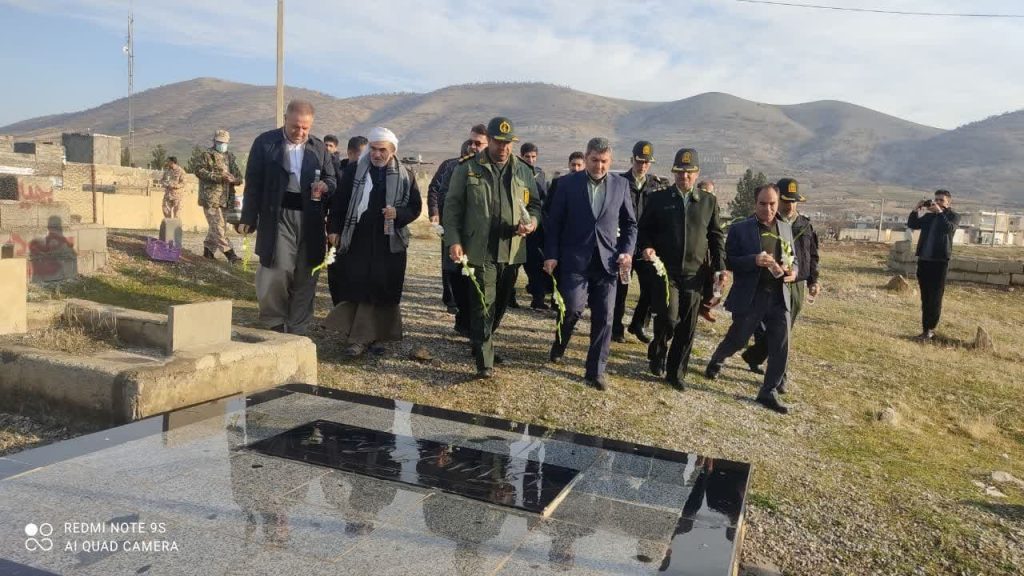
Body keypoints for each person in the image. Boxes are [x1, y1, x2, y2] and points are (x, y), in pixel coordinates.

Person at [442, 116, 541, 379]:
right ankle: (484, 361)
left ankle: (481, 339)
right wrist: (454, 240)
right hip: (480, 248)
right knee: (483, 304)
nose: (503, 147)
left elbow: (534, 205)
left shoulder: (523, 170)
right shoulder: (467, 168)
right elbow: (452, 208)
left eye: (508, 143)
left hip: (511, 249)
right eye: (498, 142)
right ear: (489, 141)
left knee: (499, 305)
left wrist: (532, 223)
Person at [236, 99, 336, 334]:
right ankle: (274, 321)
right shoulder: (266, 143)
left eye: (305, 128)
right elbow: (253, 182)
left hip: (311, 218)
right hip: (278, 216)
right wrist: (248, 217)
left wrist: (326, 185)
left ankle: (298, 326)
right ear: (285, 120)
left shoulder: (318, 148)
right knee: (277, 269)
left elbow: (332, 179)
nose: (300, 132)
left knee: (307, 271)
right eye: (295, 126)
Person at [544, 137, 636, 391]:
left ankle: (595, 371)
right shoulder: (566, 184)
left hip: (608, 263)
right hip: (575, 260)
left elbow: (630, 224)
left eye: (604, 161)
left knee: (605, 317)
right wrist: (551, 254)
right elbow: (554, 223)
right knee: (572, 309)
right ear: (586, 158)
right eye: (594, 160)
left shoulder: (621, 185)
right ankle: (560, 342)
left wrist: (627, 251)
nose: (599, 166)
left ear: (611, 161)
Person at [326, 127, 422, 356]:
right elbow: (339, 203)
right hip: (357, 240)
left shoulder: (405, 175)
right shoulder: (354, 171)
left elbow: (415, 207)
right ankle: (359, 338)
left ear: (393, 151)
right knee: (358, 287)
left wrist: (398, 214)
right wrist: (334, 229)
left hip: (388, 243)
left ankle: (376, 336)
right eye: (373, 149)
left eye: (382, 150)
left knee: (382, 289)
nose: (377, 154)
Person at [636, 148, 726, 390]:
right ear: (673, 172)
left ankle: (676, 373)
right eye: (679, 172)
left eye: (689, 172)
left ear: (697, 173)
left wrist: (720, 268)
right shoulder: (659, 199)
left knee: (687, 327)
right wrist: (646, 247)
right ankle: (658, 350)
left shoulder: (708, 202)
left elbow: (716, 237)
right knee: (668, 318)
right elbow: (644, 231)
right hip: (666, 272)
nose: (684, 176)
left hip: (695, 275)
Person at [704, 184, 796, 414]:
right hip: (751, 295)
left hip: (779, 296)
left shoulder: (785, 229)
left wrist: (792, 271)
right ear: (755, 204)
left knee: (781, 344)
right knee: (738, 338)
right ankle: (718, 359)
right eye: (763, 204)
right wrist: (753, 260)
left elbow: (794, 259)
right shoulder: (740, 229)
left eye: (772, 204)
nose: (768, 209)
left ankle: (769, 391)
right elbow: (728, 261)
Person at [741, 178, 820, 390]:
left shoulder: (805, 225)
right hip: (768, 282)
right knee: (771, 329)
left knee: (784, 331)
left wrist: (813, 280)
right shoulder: (763, 222)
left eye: (794, 201)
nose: (790, 206)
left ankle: (758, 358)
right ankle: (777, 374)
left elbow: (812, 255)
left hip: (795, 286)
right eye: (785, 201)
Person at [426, 124, 489, 328]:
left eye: (477, 144)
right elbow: (437, 190)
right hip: (452, 225)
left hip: (479, 231)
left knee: (474, 272)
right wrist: (436, 213)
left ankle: (471, 317)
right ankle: (452, 302)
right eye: (470, 144)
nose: (472, 148)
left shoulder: (492, 169)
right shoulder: (451, 166)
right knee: (452, 266)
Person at [614, 141, 668, 343]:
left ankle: (638, 323)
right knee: (620, 289)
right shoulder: (620, 182)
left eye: (647, 162)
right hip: (624, 244)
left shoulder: (657, 185)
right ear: (632, 160)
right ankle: (616, 327)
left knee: (652, 287)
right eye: (639, 161)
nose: (643, 165)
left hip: (646, 246)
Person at [907, 189, 960, 340]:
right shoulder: (929, 216)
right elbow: (912, 224)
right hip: (924, 260)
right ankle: (925, 330)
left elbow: (948, 229)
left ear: (948, 202)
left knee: (935, 298)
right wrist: (916, 208)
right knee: (925, 297)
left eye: (941, 200)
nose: (937, 202)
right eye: (936, 200)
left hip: (939, 262)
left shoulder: (953, 216)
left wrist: (940, 213)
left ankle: (931, 330)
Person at [196, 129, 244, 262]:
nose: (221, 144)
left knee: (218, 227)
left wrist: (234, 179)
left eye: (224, 142)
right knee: (218, 227)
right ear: (214, 141)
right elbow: (199, 171)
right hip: (211, 198)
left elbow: (239, 177)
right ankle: (230, 254)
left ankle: (208, 251)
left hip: (226, 199)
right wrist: (219, 177)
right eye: (219, 142)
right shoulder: (207, 155)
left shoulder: (230, 157)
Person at [519, 142, 551, 311]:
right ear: (521, 156)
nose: (530, 160)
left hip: (536, 225)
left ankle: (538, 297)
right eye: (527, 157)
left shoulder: (540, 174)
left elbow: (543, 199)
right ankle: (508, 297)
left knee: (536, 261)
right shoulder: (516, 172)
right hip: (518, 224)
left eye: (533, 157)